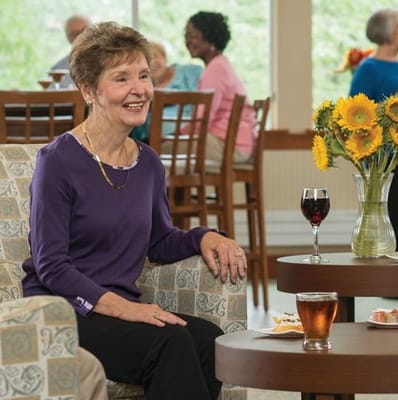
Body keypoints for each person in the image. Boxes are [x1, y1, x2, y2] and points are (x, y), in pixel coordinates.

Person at [21, 21, 248, 400]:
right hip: (62, 310)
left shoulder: (148, 163)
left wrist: (204, 236)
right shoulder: (57, 160)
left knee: (208, 340)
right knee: (170, 342)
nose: (139, 89)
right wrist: (126, 309)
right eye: (121, 78)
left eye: (144, 75)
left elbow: (159, 241)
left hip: (116, 308)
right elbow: (52, 266)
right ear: (88, 89)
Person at [349, 8, 398, 249]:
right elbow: (356, 112)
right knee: (397, 214)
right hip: (385, 156)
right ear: (388, 32)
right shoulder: (368, 68)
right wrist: (394, 102)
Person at [185, 11, 256, 164]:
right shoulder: (221, 64)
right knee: (158, 148)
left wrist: (175, 135)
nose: (188, 41)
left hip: (230, 145)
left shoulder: (216, 69)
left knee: (154, 148)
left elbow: (201, 120)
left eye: (194, 36)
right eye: (186, 35)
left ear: (212, 40)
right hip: (234, 143)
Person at [130, 41, 203, 142]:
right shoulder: (139, 88)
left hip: (188, 139)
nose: (151, 62)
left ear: (165, 57)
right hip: (154, 143)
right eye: (145, 60)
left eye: (155, 56)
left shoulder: (189, 72)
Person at [48, 14, 89, 88]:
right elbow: (53, 93)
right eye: (75, 34)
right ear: (67, 37)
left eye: (84, 31)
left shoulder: (108, 61)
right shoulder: (58, 70)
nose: (80, 36)